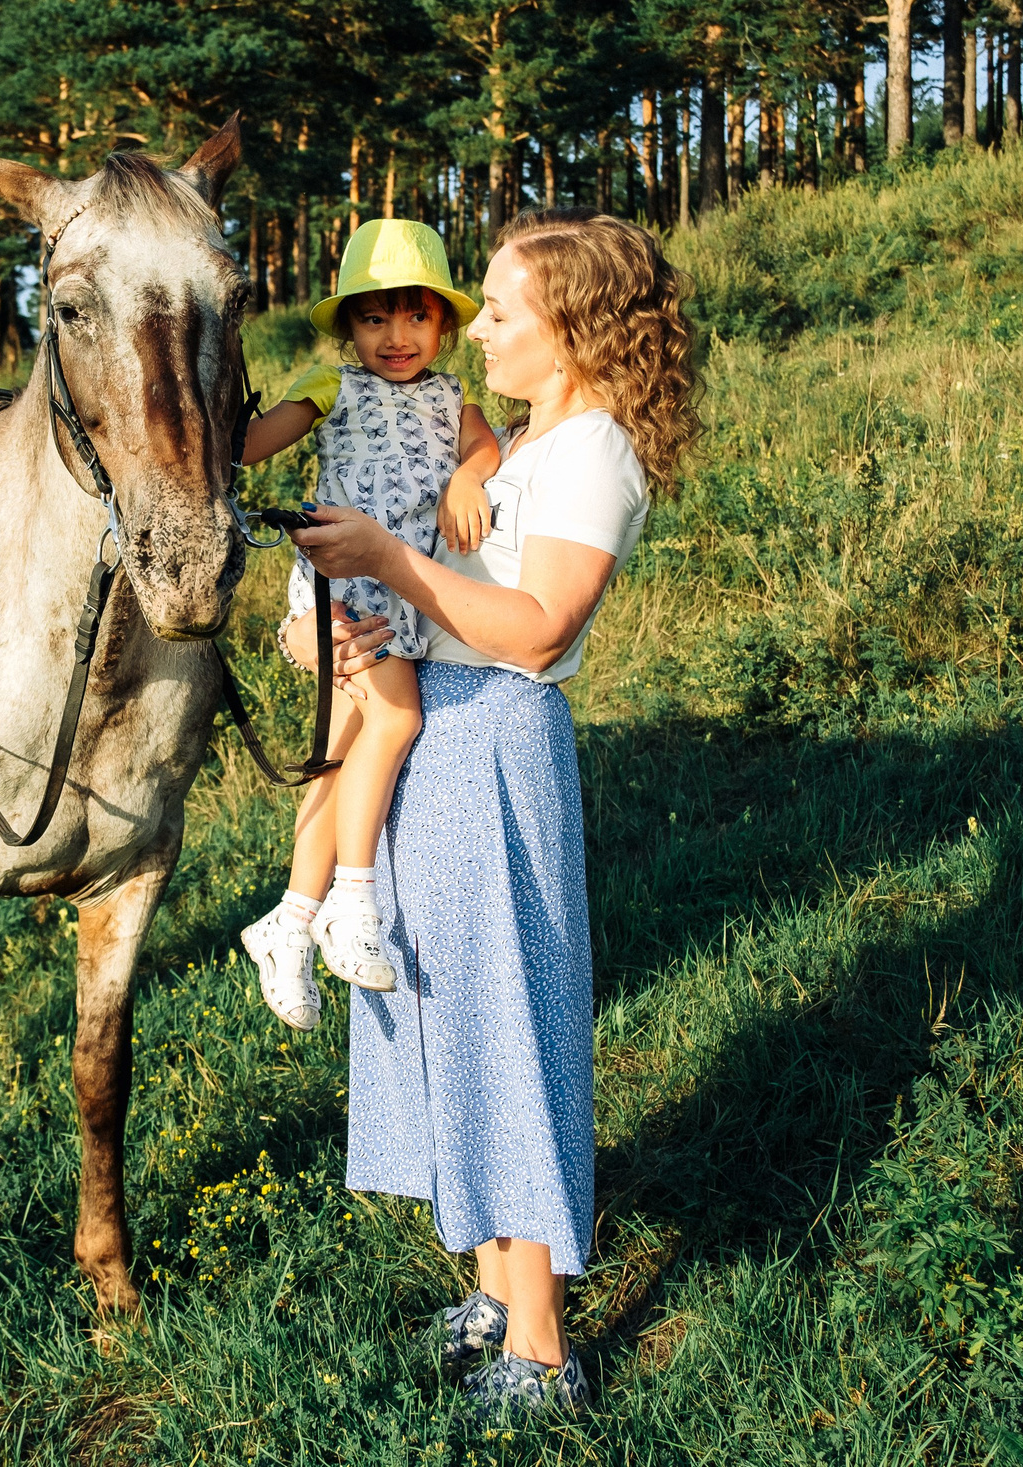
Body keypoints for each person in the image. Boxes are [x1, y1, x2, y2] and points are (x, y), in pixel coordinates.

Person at [288, 210, 698, 1416]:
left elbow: (540, 626)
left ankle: (540, 1350)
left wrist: (388, 562)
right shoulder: (526, 441)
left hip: (495, 741)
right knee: (442, 1009)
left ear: (569, 330)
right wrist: (372, 622)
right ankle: (489, 1286)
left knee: (503, 1025)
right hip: (438, 727)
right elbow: (468, 583)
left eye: (506, 309)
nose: (487, 326)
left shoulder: (593, 454)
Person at [236, 220, 501, 1029]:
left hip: (402, 601)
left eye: (416, 316)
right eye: (375, 318)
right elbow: (249, 447)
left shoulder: (455, 401)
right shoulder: (330, 387)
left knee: (341, 754)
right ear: (349, 327)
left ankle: (287, 918)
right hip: (339, 596)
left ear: (443, 325)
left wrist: (467, 478)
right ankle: (353, 903)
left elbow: (486, 449)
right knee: (399, 715)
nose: (396, 336)